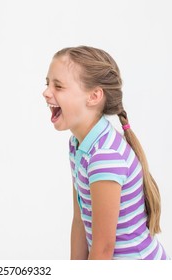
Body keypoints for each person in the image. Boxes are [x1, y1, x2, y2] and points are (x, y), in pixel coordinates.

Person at [42, 46, 169, 260]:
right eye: (48, 84)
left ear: (94, 96)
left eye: (59, 86)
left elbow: (102, 249)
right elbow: (80, 219)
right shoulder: (77, 145)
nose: (46, 92)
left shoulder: (105, 157)